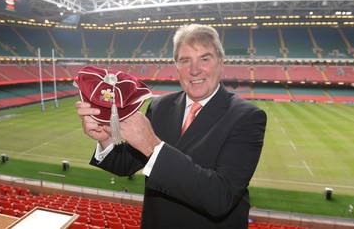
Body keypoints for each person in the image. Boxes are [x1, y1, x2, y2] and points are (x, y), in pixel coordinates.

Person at [75, 24, 267, 228]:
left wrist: (153, 147)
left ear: (221, 63)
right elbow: (128, 164)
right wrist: (105, 138)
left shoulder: (247, 117)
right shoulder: (160, 106)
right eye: (185, 60)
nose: (194, 70)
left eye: (205, 58)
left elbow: (220, 196)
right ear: (176, 67)